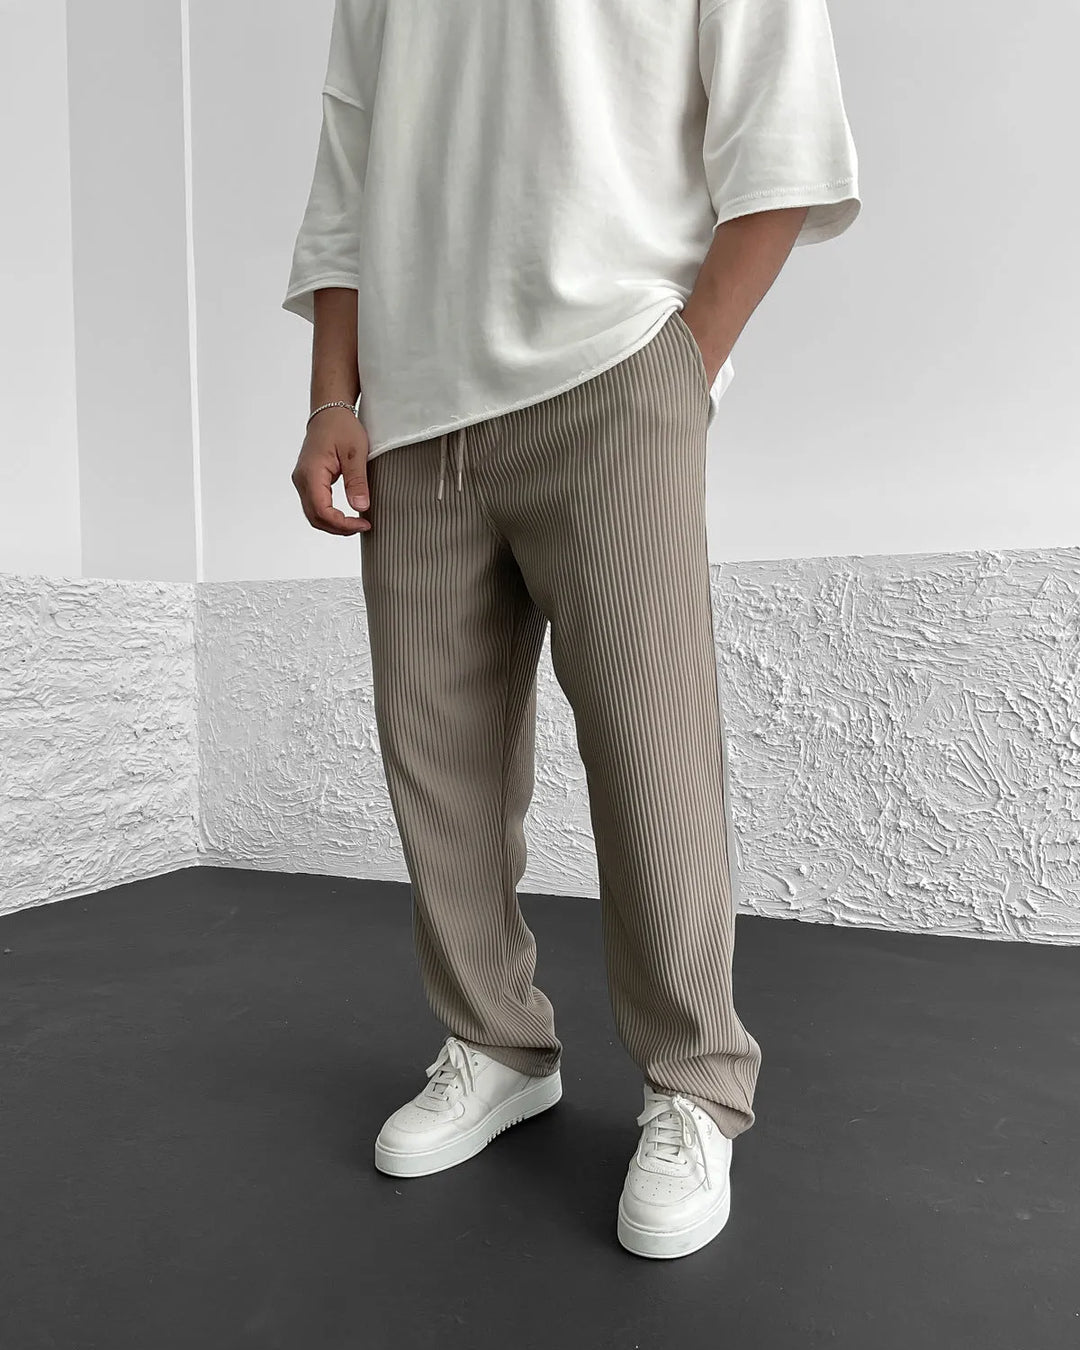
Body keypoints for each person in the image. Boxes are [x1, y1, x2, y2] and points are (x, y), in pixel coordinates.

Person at [282, 0, 860, 1260]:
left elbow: (785, 127)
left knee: (652, 754)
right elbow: (350, 152)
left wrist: (683, 362)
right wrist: (333, 394)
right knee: (437, 760)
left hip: (613, 368)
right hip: (411, 413)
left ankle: (694, 1083)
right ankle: (494, 1043)